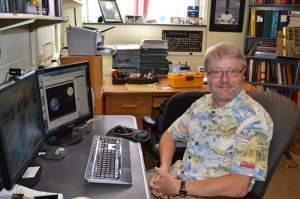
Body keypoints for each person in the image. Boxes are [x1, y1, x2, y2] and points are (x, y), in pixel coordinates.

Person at [149, 42, 273, 198]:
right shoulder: (202, 103)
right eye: (216, 72)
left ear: (244, 74)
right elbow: (170, 135)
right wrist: (164, 171)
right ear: (207, 75)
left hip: (208, 194)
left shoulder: (254, 120)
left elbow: (239, 186)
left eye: (233, 71)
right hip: (178, 179)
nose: (224, 80)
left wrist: (178, 187)